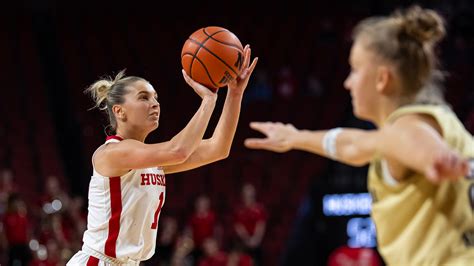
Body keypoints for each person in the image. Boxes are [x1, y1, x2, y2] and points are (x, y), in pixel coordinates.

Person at [244, 5, 474, 265]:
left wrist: (437, 157)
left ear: (382, 79)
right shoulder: (445, 121)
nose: (348, 82)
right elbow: (353, 146)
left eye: (355, 69)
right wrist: (297, 137)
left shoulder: (403, 129)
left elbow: (413, 141)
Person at [66, 45, 257, 265]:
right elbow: (179, 150)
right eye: (144, 97)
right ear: (119, 111)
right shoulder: (112, 153)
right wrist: (209, 100)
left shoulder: (152, 160)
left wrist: (234, 93)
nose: (155, 104)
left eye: (156, 98)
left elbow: (218, 148)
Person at [232, 183, 266, 266]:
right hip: (243, 243)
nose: (248, 198)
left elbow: (261, 225)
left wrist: (256, 239)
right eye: (246, 195)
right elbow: (238, 226)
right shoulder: (238, 210)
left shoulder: (259, 208)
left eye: (251, 195)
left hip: (257, 243)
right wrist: (247, 239)